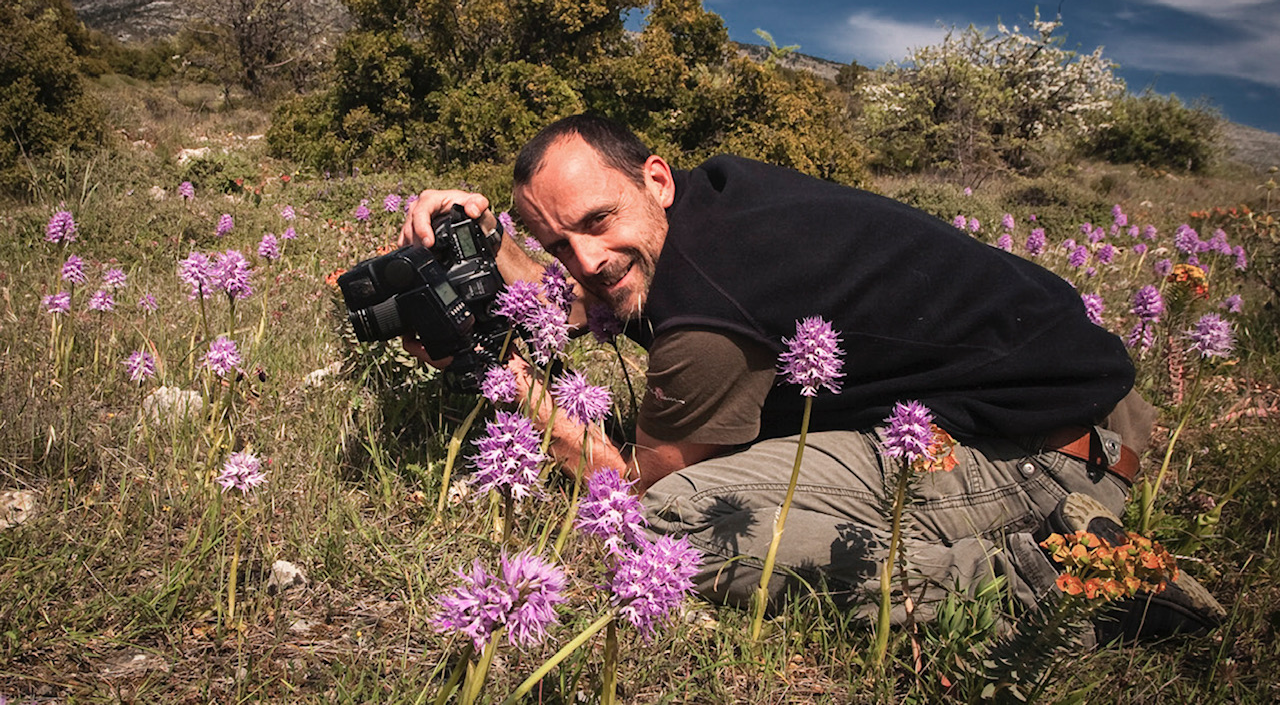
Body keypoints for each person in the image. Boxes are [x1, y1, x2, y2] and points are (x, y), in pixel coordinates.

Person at [401, 113, 1223, 634]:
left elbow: (628, 485)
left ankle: (1056, 584)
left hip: (1051, 451)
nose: (583, 260)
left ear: (654, 178)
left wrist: (521, 393)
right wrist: (486, 251)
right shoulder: (714, 201)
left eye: (597, 220)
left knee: (674, 521)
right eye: (556, 246)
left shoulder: (711, 311)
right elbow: (591, 296)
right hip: (1091, 405)